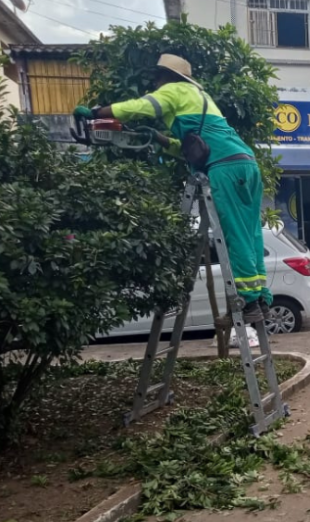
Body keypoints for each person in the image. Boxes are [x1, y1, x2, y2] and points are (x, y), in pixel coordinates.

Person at [73, 54, 270, 323]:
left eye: (157, 77)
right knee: (251, 233)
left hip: (224, 168)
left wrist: (97, 113)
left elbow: (141, 107)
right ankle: (260, 300)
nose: (155, 83)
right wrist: (159, 138)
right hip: (245, 164)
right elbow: (192, 147)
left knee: (234, 234)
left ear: (167, 76)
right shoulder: (201, 99)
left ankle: (247, 305)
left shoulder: (175, 90)